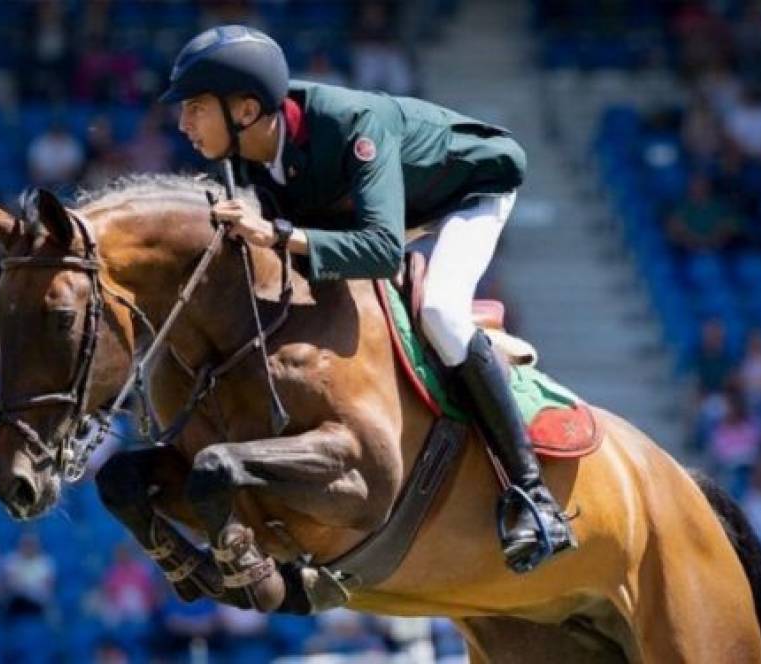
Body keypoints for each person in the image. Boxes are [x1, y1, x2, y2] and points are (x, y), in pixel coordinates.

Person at [159, 25, 574, 574]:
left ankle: (532, 495)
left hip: (464, 196)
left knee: (440, 314)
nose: (183, 122)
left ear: (244, 108)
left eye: (194, 107)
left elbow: (379, 250)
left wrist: (279, 235)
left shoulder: (351, 125)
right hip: (377, 213)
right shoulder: (242, 156)